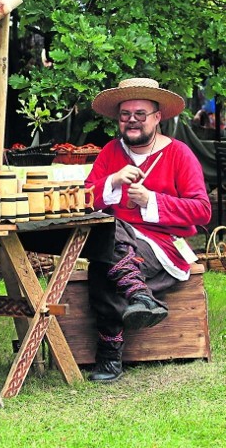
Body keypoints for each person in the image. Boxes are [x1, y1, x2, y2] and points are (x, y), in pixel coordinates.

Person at [84, 78, 211, 383]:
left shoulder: (179, 154)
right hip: (119, 246)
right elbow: (85, 199)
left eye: (140, 114)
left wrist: (152, 201)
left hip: (163, 245)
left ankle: (109, 355)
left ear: (157, 117)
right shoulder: (111, 153)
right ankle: (140, 297)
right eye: (125, 114)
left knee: (104, 254)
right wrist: (112, 182)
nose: (132, 120)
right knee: (107, 240)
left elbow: (202, 210)